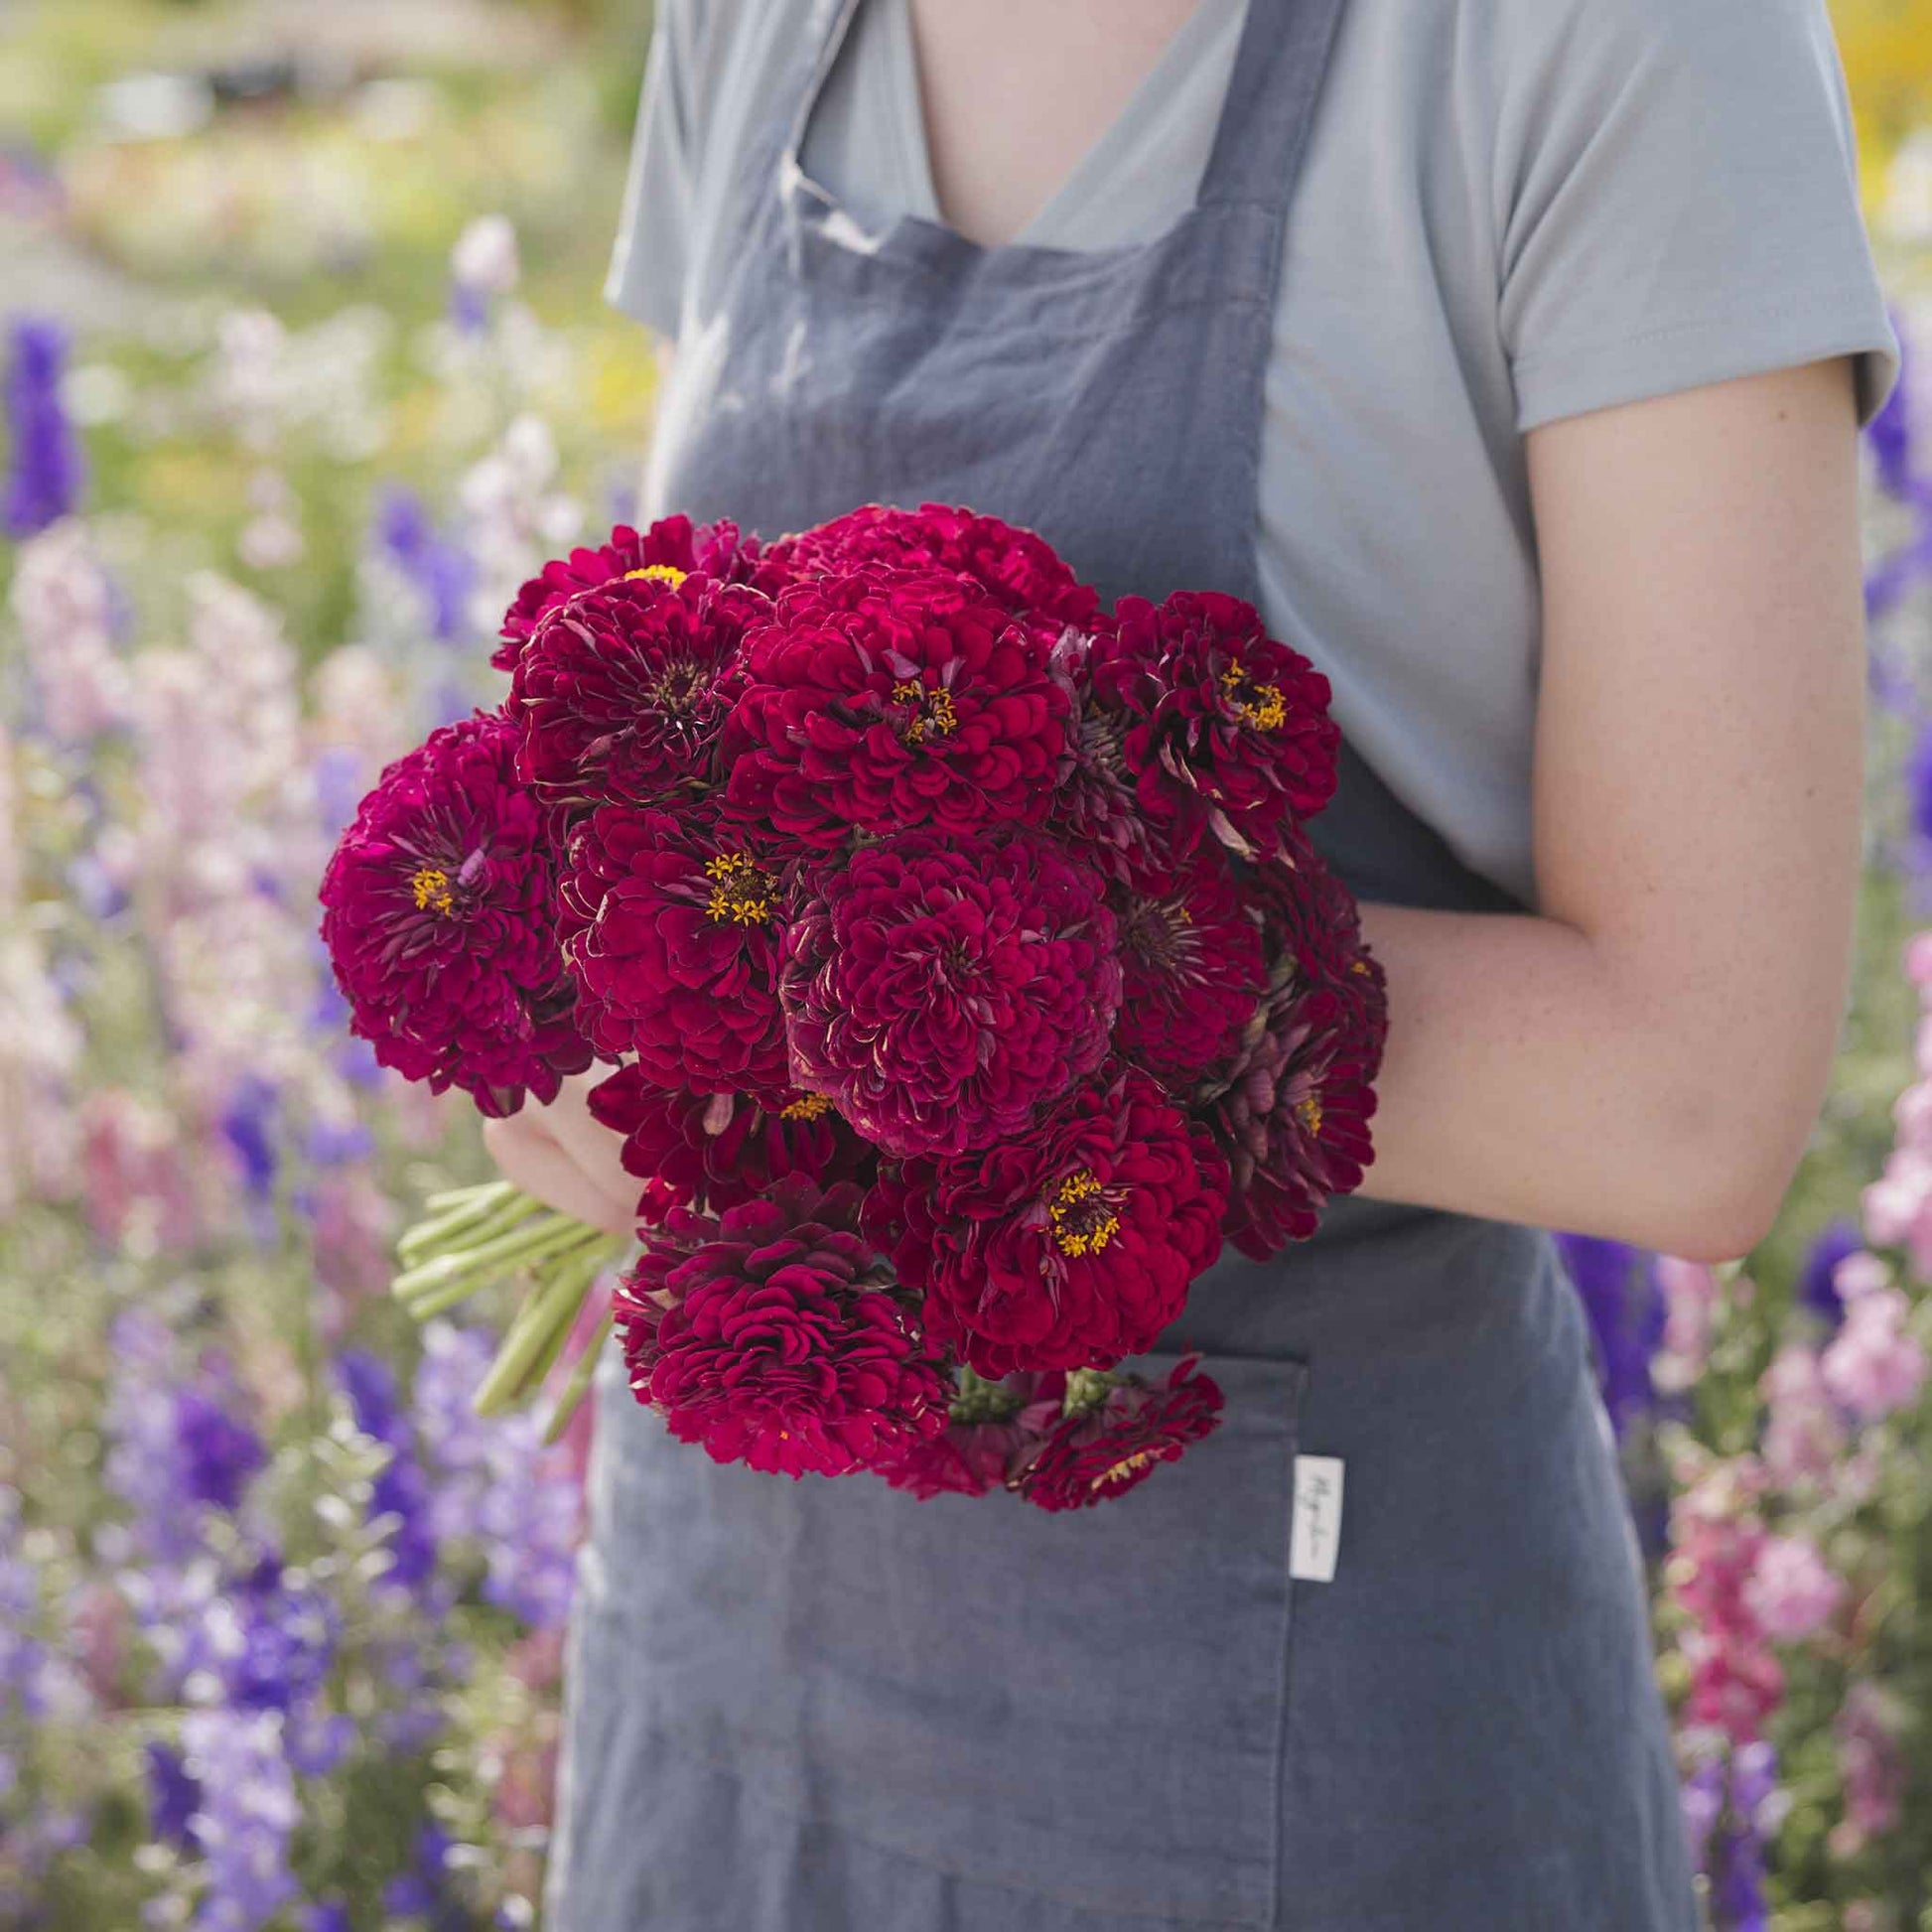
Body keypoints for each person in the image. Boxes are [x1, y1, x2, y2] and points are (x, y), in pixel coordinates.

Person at [488, 0, 1901, 1924]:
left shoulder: (1612, 42)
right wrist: (565, 970)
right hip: (725, 1691)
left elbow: (1687, 1095)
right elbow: (665, 684)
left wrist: (948, 984)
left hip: (1282, 1727)